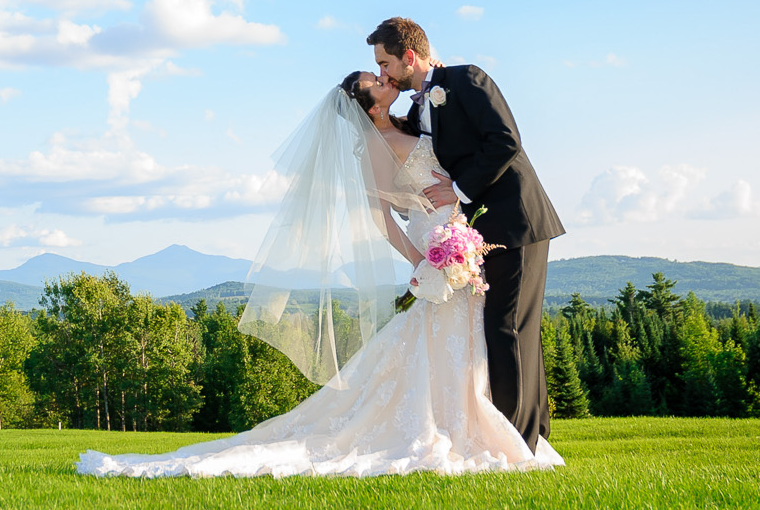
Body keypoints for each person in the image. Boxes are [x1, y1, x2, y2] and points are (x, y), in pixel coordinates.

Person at [76, 65, 562, 478]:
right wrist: (423, 261)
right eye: (379, 79)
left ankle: (500, 426)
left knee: (481, 336)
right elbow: (382, 221)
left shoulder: (414, 119)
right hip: (440, 250)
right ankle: (466, 429)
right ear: (369, 106)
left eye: (384, 69)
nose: (387, 78)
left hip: (460, 239)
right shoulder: (373, 148)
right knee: (458, 337)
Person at [369, 16, 566, 449]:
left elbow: (505, 140)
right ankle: (533, 437)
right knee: (510, 331)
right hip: (474, 235)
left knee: (506, 329)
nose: (382, 73)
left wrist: (457, 189)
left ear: (409, 57)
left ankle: (518, 443)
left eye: (385, 63)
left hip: (515, 221)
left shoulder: (467, 78)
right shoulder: (418, 107)